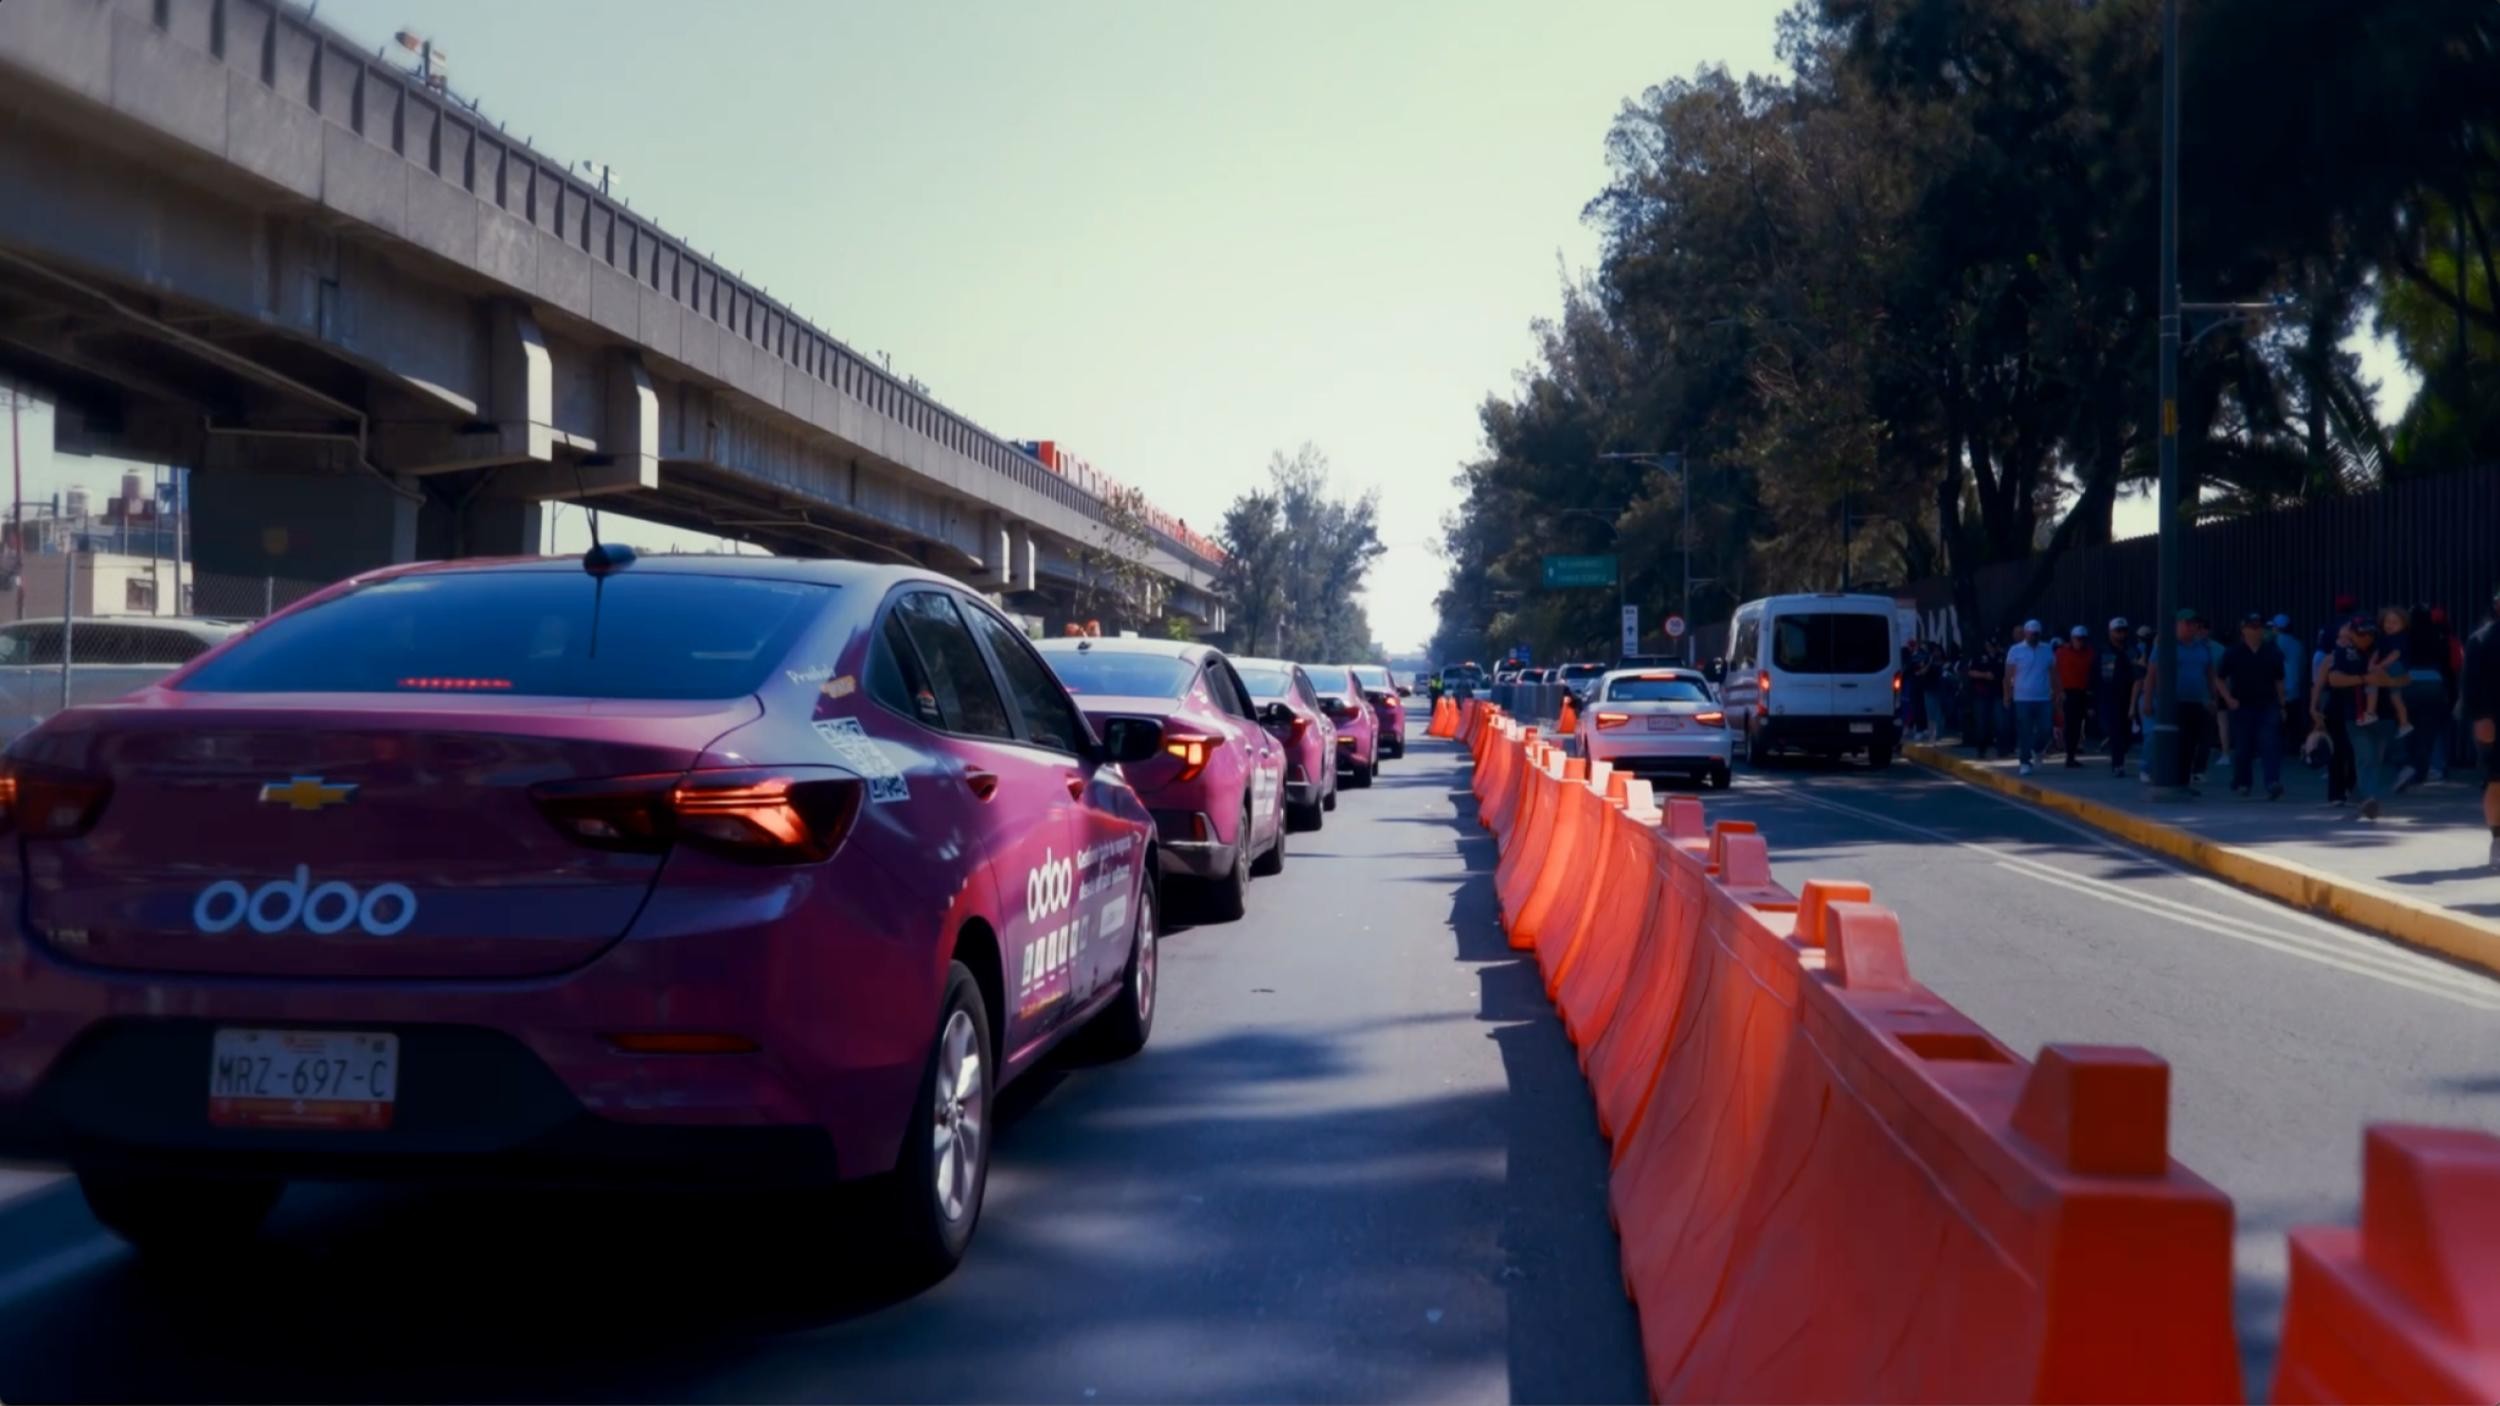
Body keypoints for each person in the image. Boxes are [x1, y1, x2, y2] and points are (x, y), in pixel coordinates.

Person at [2327, 615, 2404, 820]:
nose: (2366, 638)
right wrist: (2363, 679)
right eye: (2361, 634)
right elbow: (2333, 679)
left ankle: (2362, 794)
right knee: (2365, 757)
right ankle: (2369, 799)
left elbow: (2404, 677)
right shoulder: (2344, 652)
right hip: (2355, 714)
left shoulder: (2385, 650)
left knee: (2375, 760)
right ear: (2352, 633)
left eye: (2370, 633)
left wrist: (2388, 680)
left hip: (2385, 715)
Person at [2148, 609, 2222, 787]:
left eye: (2194, 623)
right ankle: (2161, 776)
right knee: (2173, 742)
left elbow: (2210, 674)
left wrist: (2214, 698)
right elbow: (2151, 675)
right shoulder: (2165, 646)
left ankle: (2183, 782)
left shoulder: (2203, 647)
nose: (2191, 627)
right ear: (2177, 625)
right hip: (2173, 703)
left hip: (2197, 702)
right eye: (2186, 623)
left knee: (2191, 743)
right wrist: (2148, 701)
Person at [2219, 612, 2287, 799]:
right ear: (2243, 630)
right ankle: (2243, 782)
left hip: (2268, 704)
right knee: (2243, 747)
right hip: (2242, 706)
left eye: (2259, 627)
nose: (2256, 630)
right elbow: (2219, 678)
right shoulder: (2233, 653)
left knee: (2270, 744)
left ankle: (2272, 782)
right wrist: (2228, 699)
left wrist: (2282, 705)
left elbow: (2279, 681)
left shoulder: (2272, 652)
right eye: (2252, 627)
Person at [2462, 587, 2500, 870]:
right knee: (2496, 780)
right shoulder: (2482, 639)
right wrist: (2480, 718)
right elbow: (2471, 684)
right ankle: (2498, 840)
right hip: (2494, 719)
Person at [2003, 619, 2057, 776]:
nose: (2035, 636)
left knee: (2046, 728)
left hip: (2043, 697)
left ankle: (2037, 749)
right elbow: (2008, 675)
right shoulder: (2015, 650)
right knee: (2025, 730)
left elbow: (2054, 673)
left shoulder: (2047, 649)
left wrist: (2059, 692)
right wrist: (2007, 695)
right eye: (2032, 634)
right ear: (2026, 633)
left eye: (2037, 634)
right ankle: (2025, 761)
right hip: (2022, 698)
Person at [2092, 617, 2141, 775]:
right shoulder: (2102, 651)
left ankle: (2121, 755)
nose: (2121, 634)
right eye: (2117, 631)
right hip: (2109, 697)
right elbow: (2094, 675)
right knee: (2115, 730)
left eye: (2123, 631)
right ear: (2110, 632)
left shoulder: (2133, 651)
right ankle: (2117, 764)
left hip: (2130, 696)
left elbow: (2140, 673)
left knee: (2127, 733)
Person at [2055, 625, 2096, 768]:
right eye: (2078, 639)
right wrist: (2058, 691)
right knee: (2070, 724)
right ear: (2072, 639)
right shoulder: (2061, 652)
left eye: (2083, 639)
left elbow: (2093, 675)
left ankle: (2072, 755)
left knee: (2078, 725)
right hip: (2067, 692)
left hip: (2083, 693)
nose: (2080, 642)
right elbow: (2055, 672)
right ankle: (2069, 755)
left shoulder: (2090, 653)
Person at [1963, 636, 2003, 758]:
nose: (1991, 648)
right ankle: (1981, 749)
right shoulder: (1979, 657)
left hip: (1998, 693)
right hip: (1981, 694)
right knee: (1982, 723)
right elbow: (1970, 672)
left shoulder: (2001, 657)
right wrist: (1984, 675)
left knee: (2000, 722)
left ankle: (2002, 749)